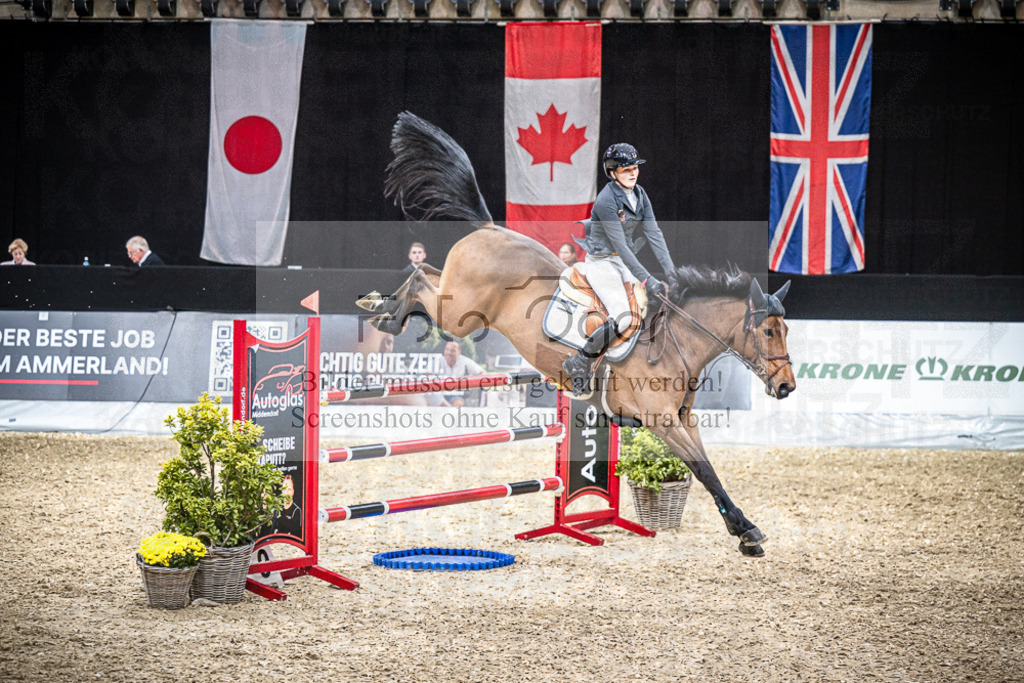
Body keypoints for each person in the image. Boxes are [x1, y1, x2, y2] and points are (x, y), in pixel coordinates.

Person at [563, 143, 677, 395]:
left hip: (622, 261)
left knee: (650, 303)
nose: (633, 174)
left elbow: (654, 234)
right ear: (613, 173)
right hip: (602, 262)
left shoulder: (640, 194)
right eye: (626, 170)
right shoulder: (605, 200)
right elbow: (622, 247)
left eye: (635, 168)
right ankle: (580, 362)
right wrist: (648, 278)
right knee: (623, 316)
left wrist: (671, 273)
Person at [439, 340, 484, 407]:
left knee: (458, 404)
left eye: (453, 350)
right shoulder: (438, 361)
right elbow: (426, 376)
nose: (449, 353)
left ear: (459, 352)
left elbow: (482, 373)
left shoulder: (464, 361)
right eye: (447, 349)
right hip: (439, 395)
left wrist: (470, 382)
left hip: (456, 396)